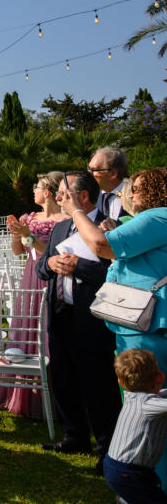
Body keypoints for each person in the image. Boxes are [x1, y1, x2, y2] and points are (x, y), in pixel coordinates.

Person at [65, 166, 167, 489]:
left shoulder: (158, 217)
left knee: (150, 415)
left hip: (149, 332)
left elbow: (98, 244)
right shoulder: (146, 222)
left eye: (134, 188)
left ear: (152, 192)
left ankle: (150, 486)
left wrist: (76, 210)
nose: (128, 194)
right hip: (134, 328)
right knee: (140, 411)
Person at [36, 170, 120, 473]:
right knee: (62, 378)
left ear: (83, 196)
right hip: (60, 314)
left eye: (63, 191)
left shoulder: (109, 227)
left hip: (93, 318)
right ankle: (75, 435)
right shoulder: (61, 228)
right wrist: (50, 263)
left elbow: (116, 273)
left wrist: (79, 266)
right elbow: (39, 267)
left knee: (98, 385)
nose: (57, 197)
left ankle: (107, 448)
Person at [0, 170, 67, 417]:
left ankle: (55, 397)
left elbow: (51, 255)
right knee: (26, 327)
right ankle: (24, 393)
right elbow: (17, 251)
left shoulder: (65, 220)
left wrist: (29, 236)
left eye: (36, 186)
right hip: (30, 278)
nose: (33, 190)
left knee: (49, 331)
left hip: (53, 279)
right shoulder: (30, 216)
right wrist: (16, 233)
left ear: (47, 192)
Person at [104, 349, 167, 504]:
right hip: (128, 472)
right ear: (160, 377)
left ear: (121, 382)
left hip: (116, 467)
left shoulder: (131, 397)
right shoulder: (147, 405)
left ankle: (126, 498)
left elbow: (160, 395)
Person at [90, 146, 130, 221]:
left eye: (94, 170)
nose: (89, 174)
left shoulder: (134, 194)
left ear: (113, 174)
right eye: (89, 169)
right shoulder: (89, 195)